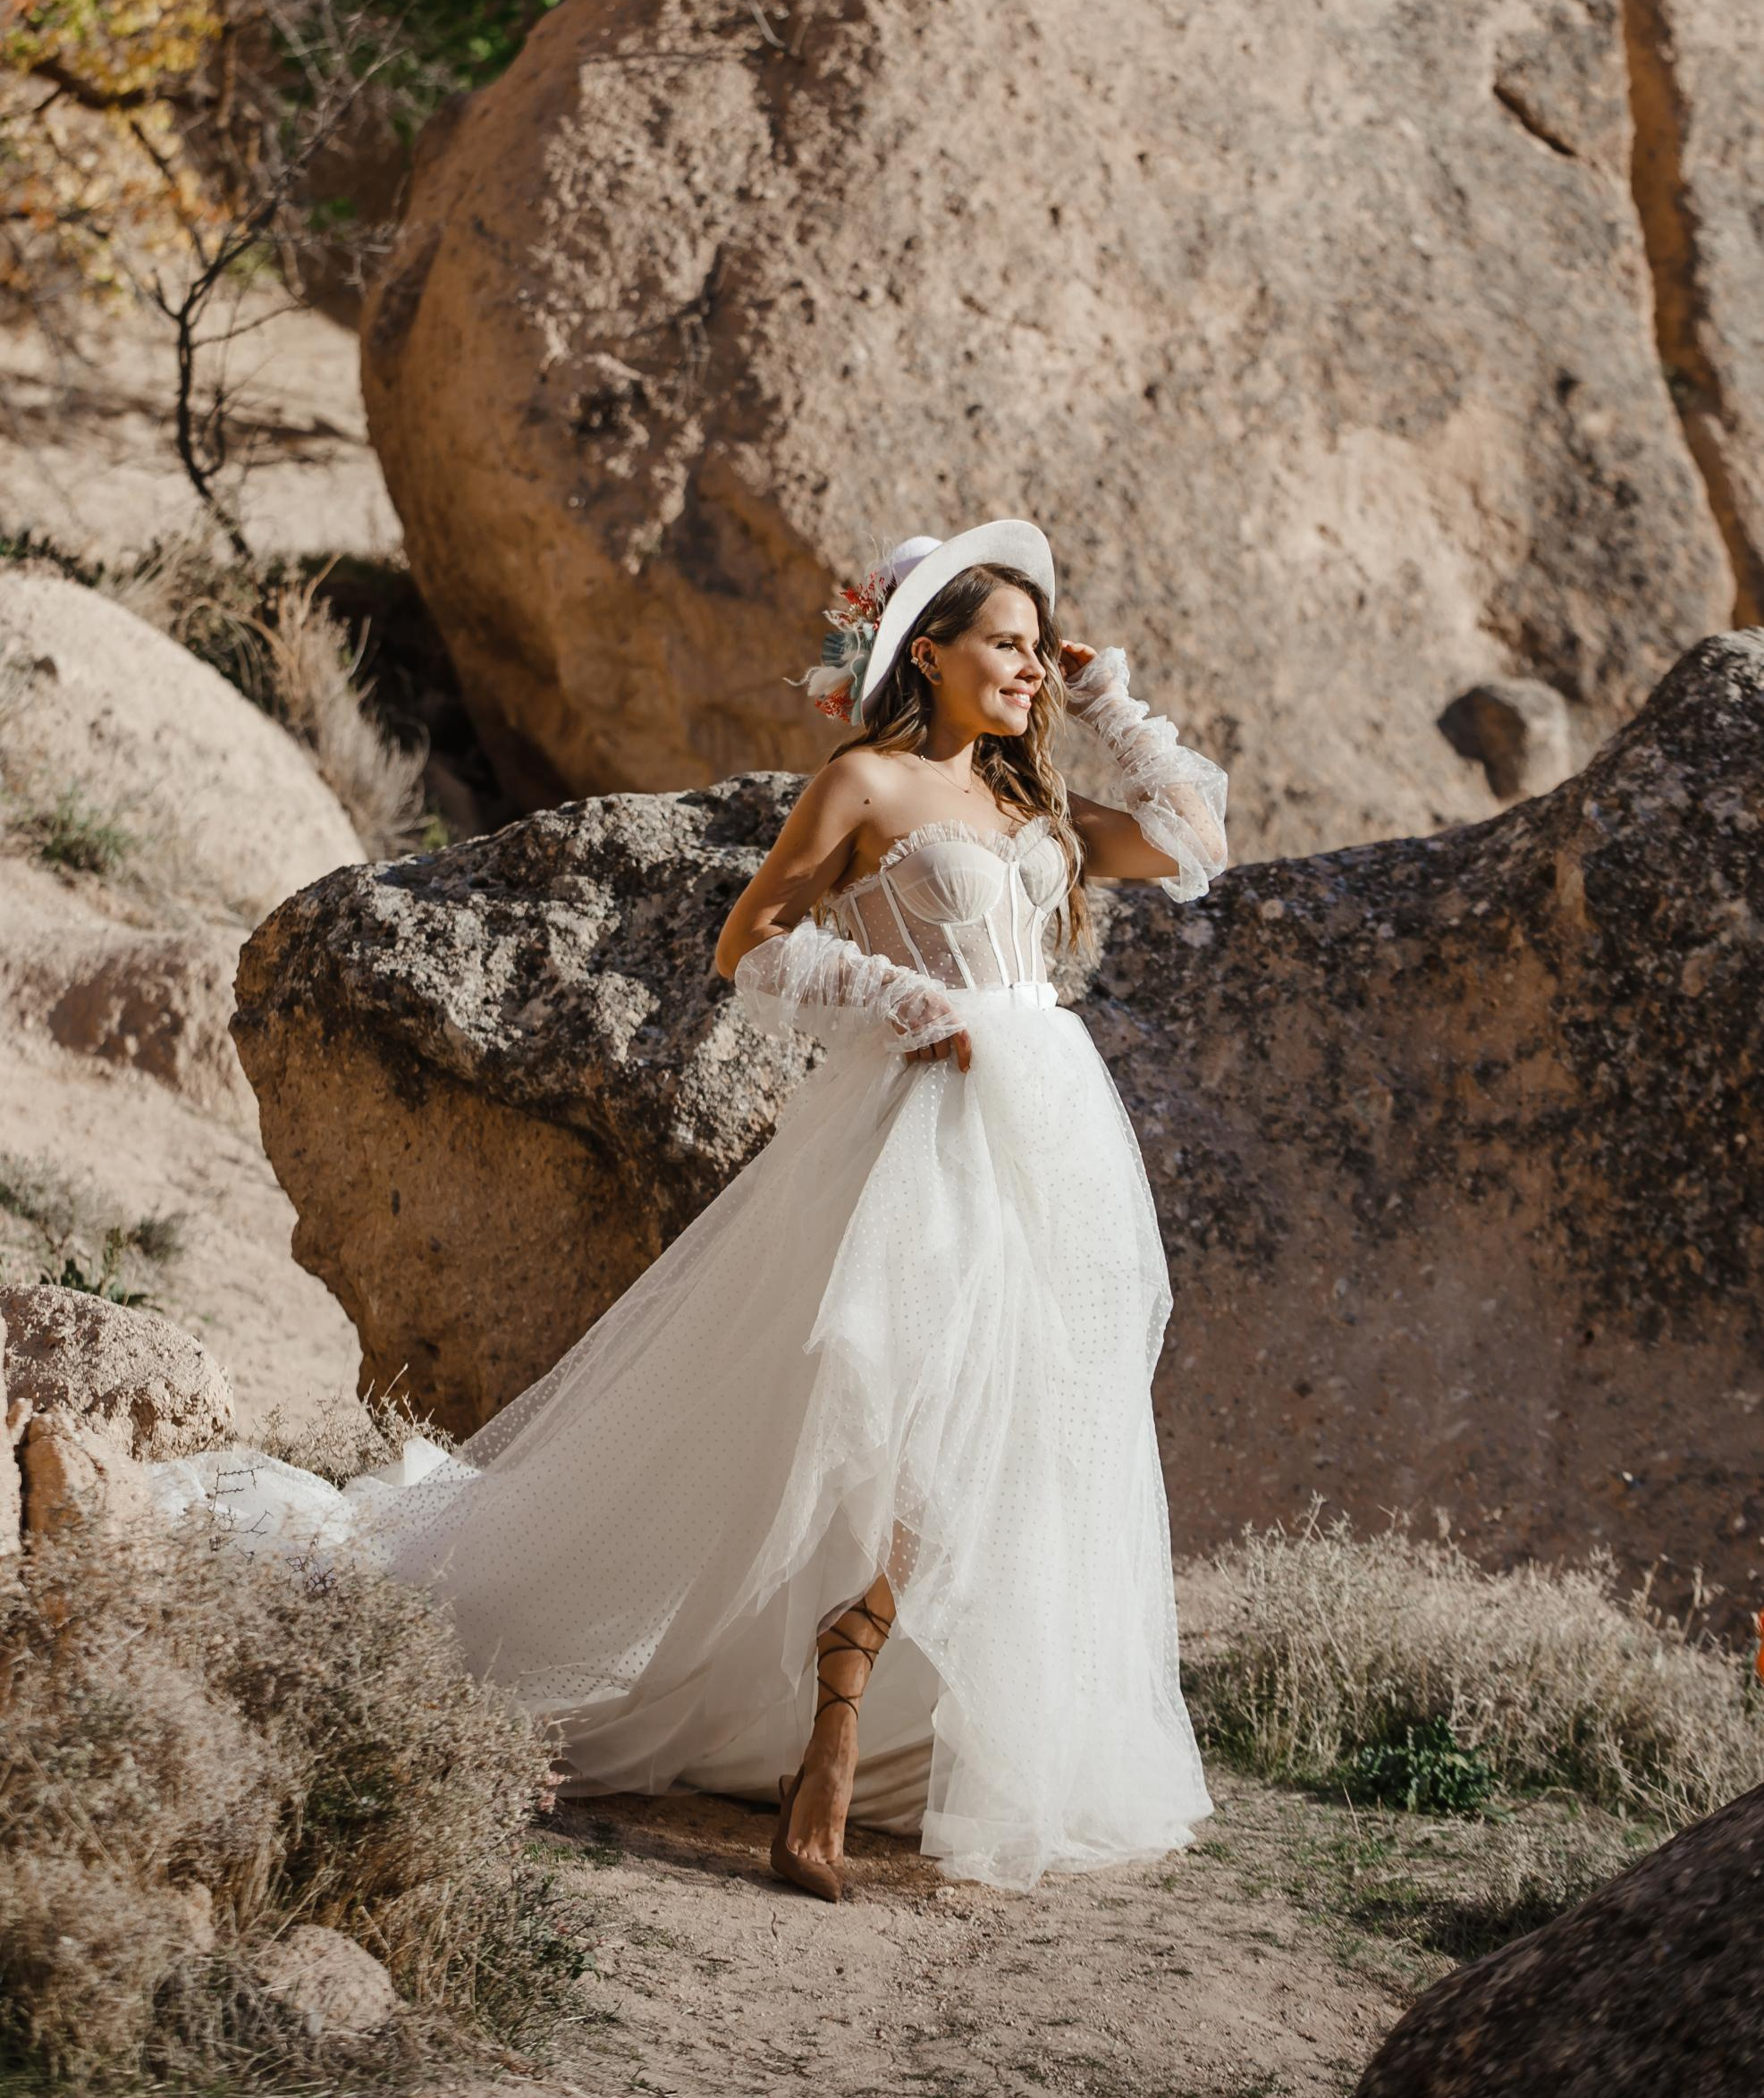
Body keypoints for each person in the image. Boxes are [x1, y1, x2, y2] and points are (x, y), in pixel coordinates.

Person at [175, 520, 1229, 1901]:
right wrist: (893, 996)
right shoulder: (864, 780)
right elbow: (754, 942)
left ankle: (885, 1714)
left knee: (1016, 1417)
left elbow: (1183, 840)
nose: (1029, 667)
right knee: (896, 1399)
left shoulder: (1028, 809)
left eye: (1040, 648)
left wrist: (1104, 699)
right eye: (1009, 645)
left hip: (1050, 1138)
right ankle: (833, 1737)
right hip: (921, 1131)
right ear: (930, 650)